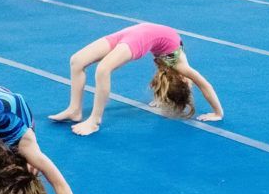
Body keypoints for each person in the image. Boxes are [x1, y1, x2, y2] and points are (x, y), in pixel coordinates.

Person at [49, 23, 224, 135]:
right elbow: (204, 84)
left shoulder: (173, 66)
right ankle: (74, 109)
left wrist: (217, 112)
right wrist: (218, 113)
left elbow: (192, 84)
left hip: (140, 34)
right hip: (137, 34)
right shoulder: (181, 67)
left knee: (103, 69)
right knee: (77, 61)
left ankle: (94, 121)